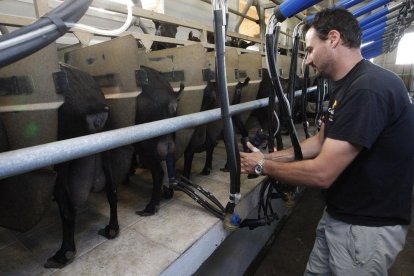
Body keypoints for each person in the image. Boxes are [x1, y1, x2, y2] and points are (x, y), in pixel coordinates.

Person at [240, 7, 414, 275]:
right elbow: (322, 140)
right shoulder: (346, 84)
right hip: (340, 214)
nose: (307, 60)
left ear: (333, 38)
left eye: (309, 50)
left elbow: (323, 173)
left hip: (365, 229)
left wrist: (263, 166)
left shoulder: (368, 88)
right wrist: (268, 156)